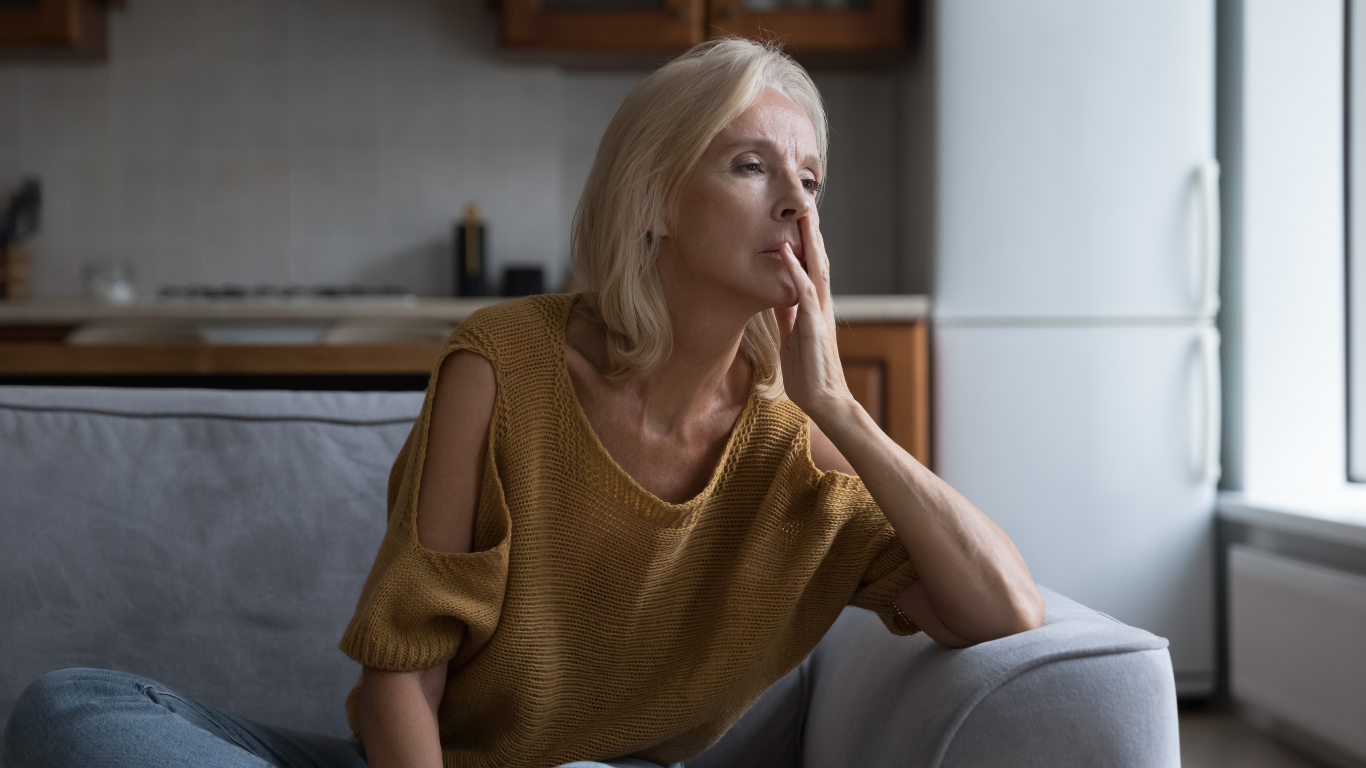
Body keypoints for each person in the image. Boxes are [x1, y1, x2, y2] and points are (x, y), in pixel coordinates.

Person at [1, 36, 1043, 768]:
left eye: (809, 180)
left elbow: (1005, 613)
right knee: (74, 709)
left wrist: (840, 410)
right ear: (653, 203)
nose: (792, 203)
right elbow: (401, 678)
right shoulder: (504, 365)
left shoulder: (805, 449)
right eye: (748, 164)